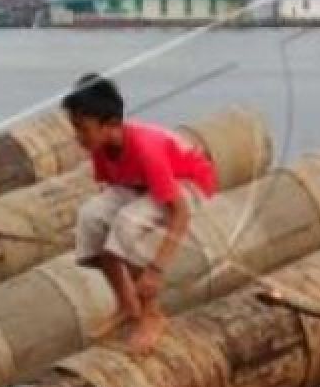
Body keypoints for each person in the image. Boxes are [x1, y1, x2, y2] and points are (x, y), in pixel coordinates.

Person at [63, 74, 216, 352]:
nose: (78, 137)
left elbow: (180, 214)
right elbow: (109, 195)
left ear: (110, 124)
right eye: (76, 128)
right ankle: (127, 304)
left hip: (189, 185)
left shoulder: (146, 149)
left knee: (126, 223)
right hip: (142, 185)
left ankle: (152, 314)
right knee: (90, 218)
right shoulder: (101, 148)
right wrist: (106, 243)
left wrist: (156, 270)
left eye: (83, 128)